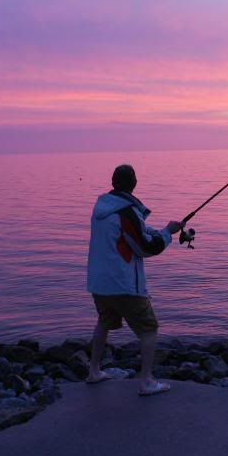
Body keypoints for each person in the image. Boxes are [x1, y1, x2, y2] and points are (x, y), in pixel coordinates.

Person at [86, 163, 182, 395]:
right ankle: (147, 381)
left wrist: (162, 230)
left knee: (104, 322)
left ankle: (93, 371)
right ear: (134, 183)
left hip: (99, 283)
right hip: (124, 284)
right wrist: (168, 234)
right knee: (149, 328)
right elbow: (144, 247)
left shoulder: (102, 208)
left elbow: (132, 232)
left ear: (113, 182)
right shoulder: (126, 211)